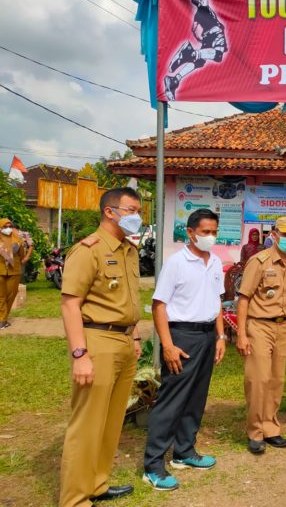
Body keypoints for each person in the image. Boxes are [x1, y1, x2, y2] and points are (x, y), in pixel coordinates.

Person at [59, 187, 143, 507]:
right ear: (110, 211)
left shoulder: (129, 250)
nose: (137, 217)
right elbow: (70, 304)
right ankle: (75, 498)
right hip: (97, 341)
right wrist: (80, 354)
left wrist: (135, 336)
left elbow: (128, 300)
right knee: (87, 423)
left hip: (124, 341)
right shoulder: (88, 250)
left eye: (139, 212)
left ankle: (97, 483)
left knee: (110, 422)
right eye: (132, 210)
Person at [142, 209, 226, 491]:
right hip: (182, 336)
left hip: (207, 335)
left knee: (196, 398)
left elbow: (217, 300)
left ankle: (184, 451)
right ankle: (153, 465)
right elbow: (159, 306)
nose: (210, 237)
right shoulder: (176, 263)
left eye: (214, 231)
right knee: (172, 400)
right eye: (205, 232)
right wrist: (167, 345)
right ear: (190, 232)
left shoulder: (215, 261)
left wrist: (220, 336)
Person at [236, 216, 286, 455]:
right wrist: (241, 334)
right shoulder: (259, 261)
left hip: (283, 327)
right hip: (259, 326)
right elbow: (243, 298)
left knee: (276, 380)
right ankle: (255, 432)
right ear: (274, 235)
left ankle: (270, 428)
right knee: (258, 379)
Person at [0, 219, 32, 329]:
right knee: (1, 296)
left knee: (11, 295)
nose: (8, 228)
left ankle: (3, 318)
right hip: (0, 271)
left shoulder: (18, 239)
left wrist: (25, 257)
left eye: (10, 226)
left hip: (14, 271)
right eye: (5, 226)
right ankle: (2, 320)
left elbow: (22, 254)